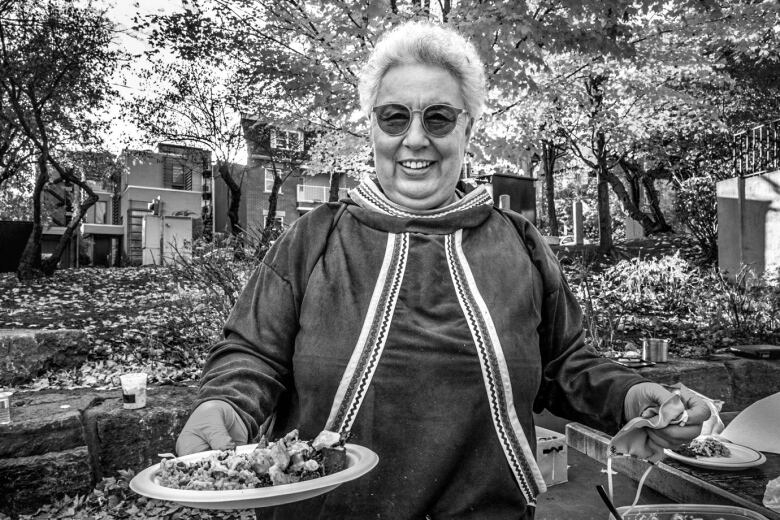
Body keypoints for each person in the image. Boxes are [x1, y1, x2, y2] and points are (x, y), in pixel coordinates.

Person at [176, 21, 710, 519]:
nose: (414, 139)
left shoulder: (519, 243)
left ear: (467, 129)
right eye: (394, 117)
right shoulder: (313, 237)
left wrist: (628, 396)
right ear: (373, 130)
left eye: (437, 117)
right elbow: (251, 352)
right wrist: (226, 402)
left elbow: (566, 363)